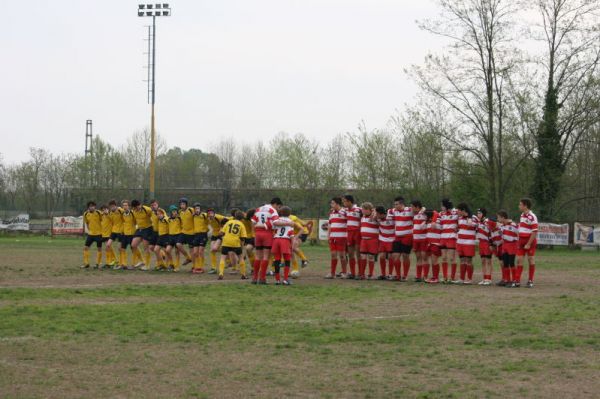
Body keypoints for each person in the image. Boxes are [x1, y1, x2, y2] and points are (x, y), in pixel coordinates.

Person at [252, 197, 293, 284]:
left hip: (258, 234)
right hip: (267, 234)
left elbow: (253, 222)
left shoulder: (258, 209)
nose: (278, 209)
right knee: (266, 256)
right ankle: (262, 278)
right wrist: (288, 223)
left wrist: (255, 231)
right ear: (276, 204)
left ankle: (254, 278)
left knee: (257, 256)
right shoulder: (272, 210)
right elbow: (275, 223)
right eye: (278, 207)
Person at [271, 206, 299, 285]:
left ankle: (277, 280)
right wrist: (293, 245)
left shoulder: (277, 220)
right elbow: (291, 235)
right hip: (285, 240)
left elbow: (273, 230)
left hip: (276, 240)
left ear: (281, 212)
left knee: (277, 260)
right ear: (289, 214)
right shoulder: (290, 222)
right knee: (287, 260)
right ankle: (285, 279)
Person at [389, 196, 413, 281]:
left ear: (402, 204)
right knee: (395, 256)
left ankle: (405, 275)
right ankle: (398, 275)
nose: (395, 206)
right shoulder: (393, 211)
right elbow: (381, 211)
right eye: (394, 204)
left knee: (405, 255)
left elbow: (422, 209)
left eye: (396, 204)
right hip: (397, 237)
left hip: (407, 236)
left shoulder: (409, 210)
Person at [218, 210, 247, 280]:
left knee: (223, 258)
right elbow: (243, 238)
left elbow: (221, 233)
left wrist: (223, 236)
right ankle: (243, 274)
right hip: (235, 243)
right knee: (240, 258)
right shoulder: (241, 225)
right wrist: (241, 247)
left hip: (226, 242)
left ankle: (221, 273)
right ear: (242, 218)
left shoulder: (229, 222)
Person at [517, 198, 538, 288]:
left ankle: (530, 280)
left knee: (530, 259)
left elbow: (534, 232)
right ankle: (517, 281)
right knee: (519, 260)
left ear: (525, 206)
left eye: (520, 204)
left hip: (529, 241)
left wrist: (528, 243)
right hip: (521, 241)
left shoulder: (532, 216)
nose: (519, 206)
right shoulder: (522, 215)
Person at [325, 197, 348, 279]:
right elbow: (330, 224)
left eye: (332, 203)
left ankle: (344, 273)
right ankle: (332, 273)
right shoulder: (331, 212)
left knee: (342, 255)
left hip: (342, 237)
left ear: (337, 204)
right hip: (332, 237)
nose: (331, 205)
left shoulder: (344, 211)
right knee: (333, 255)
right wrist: (328, 235)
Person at [455, 203, 477, 284]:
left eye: (459, 210)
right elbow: (459, 228)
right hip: (460, 242)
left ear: (463, 210)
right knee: (462, 260)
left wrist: (471, 223)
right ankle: (462, 278)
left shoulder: (473, 217)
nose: (457, 212)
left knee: (468, 260)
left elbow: (477, 226)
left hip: (469, 243)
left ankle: (469, 279)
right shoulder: (459, 218)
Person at [131, 199, 154, 271]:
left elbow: (153, 217)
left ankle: (147, 265)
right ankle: (141, 261)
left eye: (137, 207)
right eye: (134, 208)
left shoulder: (147, 209)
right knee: (133, 245)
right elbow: (134, 220)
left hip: (147, 229)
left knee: (145, 247)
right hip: (139, 229)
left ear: (140, 205)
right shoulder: (133, 211)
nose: (136, 209)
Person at [439, 199, 459, 283]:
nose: (441, 207)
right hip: (443, 238)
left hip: (451, 238)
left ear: (446, 206)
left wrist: (458, 227)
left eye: (442, 205)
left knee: (452, 258)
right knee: (443, 258)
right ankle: (445, 277)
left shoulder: (456, 212)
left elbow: (463, 219)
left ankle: (452, 278)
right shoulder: (441, 214)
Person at [497, 210, 519, 288]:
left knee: (511, 263)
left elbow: (518, 233)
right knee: (505, 263)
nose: (498, 219)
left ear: (503, 217)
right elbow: (501, 234)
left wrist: (518, 243)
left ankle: (514, 280)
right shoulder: (501, 226)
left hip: (512, 245)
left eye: (499, 218)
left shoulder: (513, 225)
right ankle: (507, 280)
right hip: (505, 245)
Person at [342, 195, 362, 279]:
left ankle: (360, 273)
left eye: (344, 201)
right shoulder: (345, 211)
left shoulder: (359, 210)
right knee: (350, 254)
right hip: (349, 233)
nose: (343, 203)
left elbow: (369, 213)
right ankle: (353, 273)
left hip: (357, 233)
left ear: (349, 201)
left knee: (358, 254)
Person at [358, 202, 378, 279]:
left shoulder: (374, 216)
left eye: (365, 209)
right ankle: (362, 274)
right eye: (362, 209)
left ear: (369, 210)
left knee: (371, 257)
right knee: (362, 256)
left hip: (372, 240)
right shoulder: (362, 217)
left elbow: (377, 212)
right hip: (364, 240)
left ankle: (370, 274)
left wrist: (374, 211)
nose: (363, 211)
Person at [375, 206, 395, 280]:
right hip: (382, 239)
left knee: (390, 257)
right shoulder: (377, 218)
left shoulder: (391, 217)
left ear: (381, 213)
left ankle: (390, 274)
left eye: (377, 213)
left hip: (391, 239)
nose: (376, 215)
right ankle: (383, 274)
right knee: (382, 256)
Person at [476, 208, 494, 286]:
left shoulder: (487, 222)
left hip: (487, 243)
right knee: (483, 261)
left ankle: (488, 279)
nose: (478, 214)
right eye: (477, 213)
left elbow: (491, 233)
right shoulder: (478, 222)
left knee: (488, 261)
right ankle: (484, 278)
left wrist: (491, 244)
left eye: (479, 213)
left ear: (483, 214)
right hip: (481, 243)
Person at [82, 201, 103, 269]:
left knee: (99, 249)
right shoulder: (86, 214)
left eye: (93, 206)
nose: (92, 207)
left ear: (95, 206)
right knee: (85, 248)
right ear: (88, 207)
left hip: (99, 234)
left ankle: (98, 264)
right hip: (90, 234)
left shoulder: (99, 213)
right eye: (90, 206)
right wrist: (89, 230)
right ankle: (86, 263)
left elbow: (103, 220)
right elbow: (87, 223)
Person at [411, 200, 428, 282]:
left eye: (412, 207)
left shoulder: (425, 213)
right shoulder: (414, 215)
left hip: (423, 239)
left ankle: (425, 276)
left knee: (424, 257)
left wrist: (423, 209)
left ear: (417, 207)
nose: (411, 208)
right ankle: (418, 276)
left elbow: (433, 213)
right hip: (415, 239)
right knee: (418, 257)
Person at [118, 200, 138, 270]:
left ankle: (134, 264)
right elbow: (123, 222)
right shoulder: (122, 214)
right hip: (125, 234)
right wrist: (122, 231)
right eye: (123, 205)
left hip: (132, 234)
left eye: (126, 205)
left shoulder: (133, 213)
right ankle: (124, 264)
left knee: (133, 249)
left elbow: (136, 222)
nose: (125, 207)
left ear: (129, 206)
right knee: (122, 249)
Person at [424, 210, 442, 284]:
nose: (424, 217)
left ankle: (436, 277)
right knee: (432, 260)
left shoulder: (437, 220)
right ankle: (433, 276)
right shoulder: (427, 222)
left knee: (434, 260)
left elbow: (435, 212)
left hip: (436, 243)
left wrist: (434, 220)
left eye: (425, 215)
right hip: (429, 243)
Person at [149, 199, 167, 271]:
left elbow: (165, 218)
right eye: (152, 205)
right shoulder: (151, 212)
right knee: (151, 247)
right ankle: (162, 254)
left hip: (160, 232)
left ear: (157, 204)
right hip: (154, 232)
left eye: (155, 205)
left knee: (156, 249)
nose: (153, 206)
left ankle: (161, 264)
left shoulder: (161, 211)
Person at [191, 203, 209, 274]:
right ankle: (196, 267)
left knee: (200, 252)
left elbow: (209, 221)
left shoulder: (204, 215)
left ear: (200, 209)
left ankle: (201, 267)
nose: (197, 210)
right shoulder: (193, 216)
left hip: (203, 235)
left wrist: (207, 229)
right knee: (195, 252)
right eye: (196, 209)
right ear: (194, 210)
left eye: (198, 208)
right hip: (196, 235)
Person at [178, 198, 196, 270]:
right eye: (181, 204)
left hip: (191, 233)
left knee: (191, 250)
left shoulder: (191, 210)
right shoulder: (180, 212)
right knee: (178, 244)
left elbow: (198, 214)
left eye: (183, 204)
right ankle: (188, 258)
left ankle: (194, 266)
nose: (182, 205)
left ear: (186, 205)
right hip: (183, 232)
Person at [207, 208, 226, 274]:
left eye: (212, 213)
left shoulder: (219, 217)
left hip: (220, 234)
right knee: (212, 250)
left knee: (214, 248)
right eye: (209, 213)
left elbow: (227, 220)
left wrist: (222, 229)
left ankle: (226, 251)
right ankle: (214, 268)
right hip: (214, 235)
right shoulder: (208, 219)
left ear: (214, 213)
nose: (211, 214)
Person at [107, 200, 124, 270]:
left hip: (120, 231)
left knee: (119, 248)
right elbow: (111, 222)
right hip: (114, 231)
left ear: (116, 206)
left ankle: (121, 263)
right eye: (111, 207)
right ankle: (115, 260)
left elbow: (126, 217)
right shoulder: (110, 213)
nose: (112, 208)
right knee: (108, 245)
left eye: (113, 206)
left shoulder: (120, 210)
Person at [241, 209, 256, 277]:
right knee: (248, 250)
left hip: (256, 237)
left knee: (248, 250)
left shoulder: (257, 219)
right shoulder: (243, 219)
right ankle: (254, 268)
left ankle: (255, 268)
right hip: (248, 238)